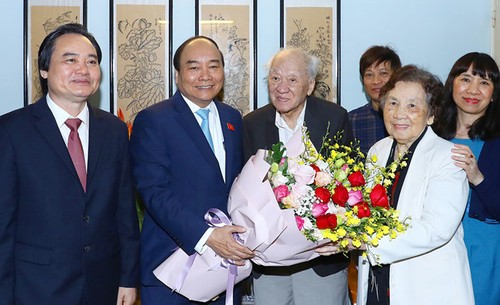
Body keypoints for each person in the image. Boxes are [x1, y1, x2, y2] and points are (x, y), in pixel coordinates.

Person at [0, 23, 140, 305]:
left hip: (104, 283)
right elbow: (3, 222)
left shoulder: (113, 130)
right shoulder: (12, 130)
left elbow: (124, 212)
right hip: (35, 287)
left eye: (91, 61)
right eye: (70, 60)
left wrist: (128, 277)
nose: (83, 69)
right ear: (43, 70)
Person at [130, 36, 254, 305]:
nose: (205, 76)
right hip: (172, 268)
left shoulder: (232, 118)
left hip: (225, 267)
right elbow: (154, 192)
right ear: (178, 75)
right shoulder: (154, 120)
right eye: (194, 67)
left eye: (213, 66)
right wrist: (207, 236)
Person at [242, 47, 353, 305]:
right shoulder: (253, 123)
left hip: (320, 257)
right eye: (275, 77)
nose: (282, 87)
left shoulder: (333, 118)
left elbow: (348, 184)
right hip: (270, 259)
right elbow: (245, 189)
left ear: (310, 85)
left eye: (292, 79)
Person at [432, 52, 500, 304]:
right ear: (452, 85)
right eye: (466, 79)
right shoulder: (432, 136)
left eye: (484, 82)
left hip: (486, 249)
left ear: (493, 94)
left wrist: (477, 176)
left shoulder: (496, 141)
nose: (474, 89)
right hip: (437, 247)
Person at [348, 46, 402, 155]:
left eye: (383, 73)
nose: (376, 81)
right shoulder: (351, 120)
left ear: (396, 77)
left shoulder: (406, 118)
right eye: (369, 75)